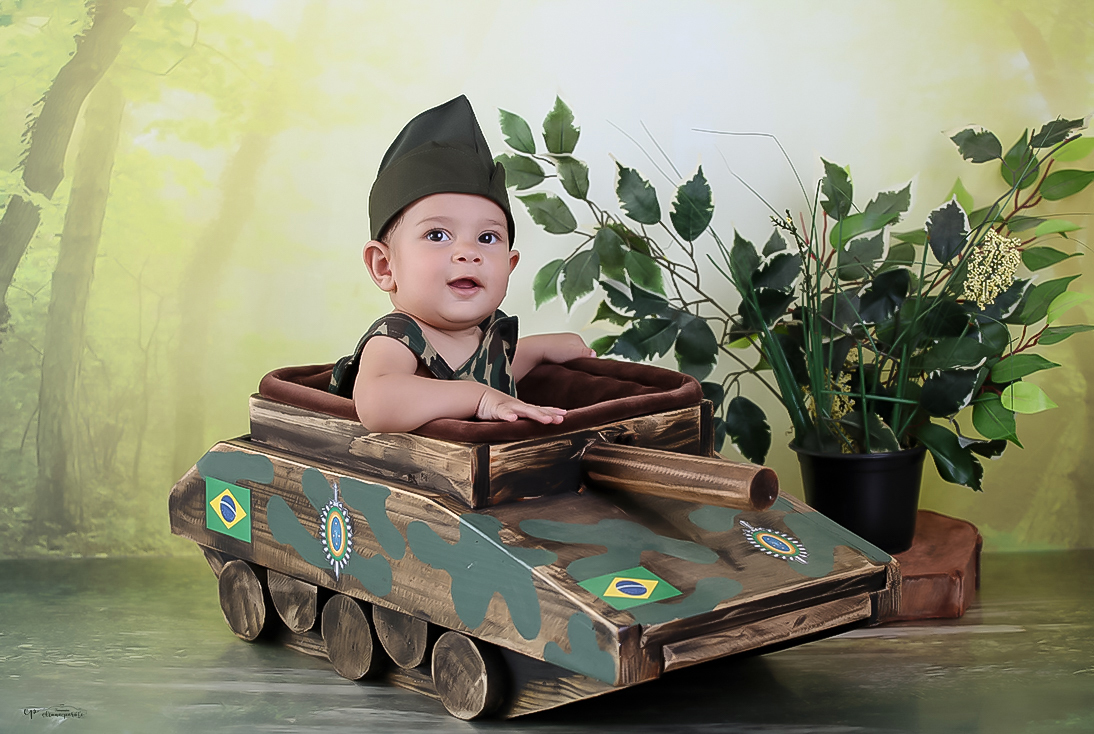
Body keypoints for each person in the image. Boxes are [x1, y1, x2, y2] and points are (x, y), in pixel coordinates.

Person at [328, 96, 594, 432]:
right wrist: (479, 399)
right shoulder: (397, 338)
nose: (468, 252)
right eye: (437, 235)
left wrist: (536, 350)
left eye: (487, 237)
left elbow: (489, 370)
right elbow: (378, 403)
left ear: (510, 265)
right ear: (385, 266)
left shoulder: (487, 334)